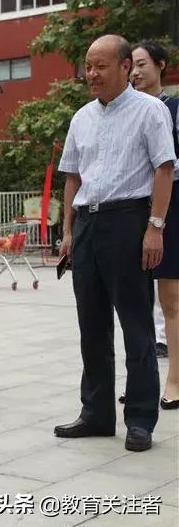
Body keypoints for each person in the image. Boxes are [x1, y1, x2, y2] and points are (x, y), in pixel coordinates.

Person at [55, 35, 175, 452]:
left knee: (136, 325)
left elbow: (164, 168)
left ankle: (140, 418)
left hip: (129, 221)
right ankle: (97, 413)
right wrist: (68, 231)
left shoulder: (150, 111)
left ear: (126, 67)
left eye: (101, 65)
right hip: (87, 224)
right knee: (91, 325)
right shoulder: (82, 117)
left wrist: (155, 226)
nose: (92, 74)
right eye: (88, 66)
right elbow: (72, 176)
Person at [129, 41, 178, 409]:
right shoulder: (125, 110)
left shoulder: (173, 108)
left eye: (143, 64)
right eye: (131, 65)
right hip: (132, 209)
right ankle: (141, 382)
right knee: (135, 300)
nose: (135, 72)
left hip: (170, 206)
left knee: (170, 297)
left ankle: (174, 379)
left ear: (161, 65)